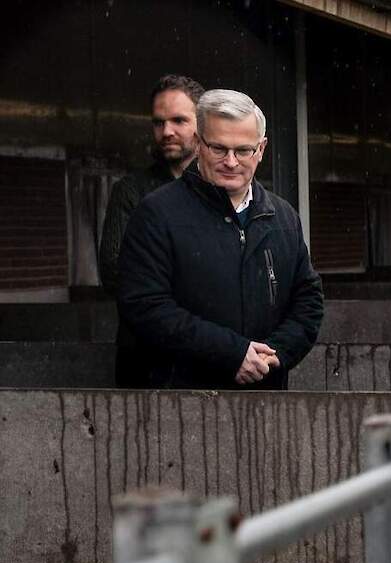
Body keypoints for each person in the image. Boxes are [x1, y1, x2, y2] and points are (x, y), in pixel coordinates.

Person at [116, 89, 324, 389]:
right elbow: (145, 306)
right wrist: (230, 354)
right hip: (180, 403)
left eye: (243, 150)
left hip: (264, 400)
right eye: (218, 148)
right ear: (199, 145)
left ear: (261, 149)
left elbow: (308, 299)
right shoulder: (157, 214)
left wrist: (272, 355)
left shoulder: (282, 217)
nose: (231, 161)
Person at [99, 74, 205, 296]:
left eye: (178, 120)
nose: (166, 132)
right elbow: (114, 272)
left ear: (203, 124)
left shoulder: (220, 187)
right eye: (159, 122)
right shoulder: (130, 190)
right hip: (148, 327)